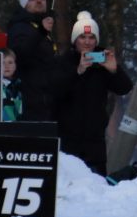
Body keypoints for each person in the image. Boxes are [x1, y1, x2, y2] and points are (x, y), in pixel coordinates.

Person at [53, 11, 132, 176]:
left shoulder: (102, 61)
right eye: (82, 37)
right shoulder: (64, 61)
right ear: (75, 40)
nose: (87, 42)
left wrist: (114, 70)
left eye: (91, 37)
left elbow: (124, 88)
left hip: (95, 140)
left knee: (96, 185)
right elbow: (56, 92)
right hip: (68, 139)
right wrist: (78, 71)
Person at [6, 0, 58, 120]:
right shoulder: (19, 26)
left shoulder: (41, 26)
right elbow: (19, 54)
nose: (39, 1)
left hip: (45, 97)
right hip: (29, 98)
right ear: (24, 5)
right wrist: (41, 31)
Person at [0, 48, 24, 122]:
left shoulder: (19, 86)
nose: (6, 66)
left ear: (15, 66)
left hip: (17, 126)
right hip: (0, 126)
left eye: (10, 62)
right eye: (3, 63)